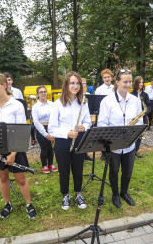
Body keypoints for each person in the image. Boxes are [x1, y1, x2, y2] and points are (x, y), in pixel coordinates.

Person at [0, 73, 37, 219]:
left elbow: (20, 132)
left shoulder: (16, 105)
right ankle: (7, 204)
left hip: (14, 146)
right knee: (3, 179)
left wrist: (13, 154)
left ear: (4, 85)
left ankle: (29, 204)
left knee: (20, 179)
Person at [98, 69, 143, 209]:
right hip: (114, 144)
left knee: (128, 171)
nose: (128, 84)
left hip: (129, 143)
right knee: (114, 171)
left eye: (130, 81)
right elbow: (102, 124)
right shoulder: (107, 101)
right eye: (125, 81)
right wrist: (111, 138)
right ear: (117, 82)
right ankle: (115, 194)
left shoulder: (135, 100)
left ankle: (124, 192)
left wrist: (134, 134)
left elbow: (139, 121)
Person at [49, 72, 92, 210]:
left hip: (79, 139)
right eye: (72, 83)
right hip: (62, 141)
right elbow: (52, 128)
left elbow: (88, 122)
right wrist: (67, 133)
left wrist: (83, 126)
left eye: (78, 83)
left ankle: (78, 193)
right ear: (66, 85)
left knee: (78, 169)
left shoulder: (83, 103)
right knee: (64, 170)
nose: (75, 86)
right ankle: (65, 195)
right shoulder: (57, 104)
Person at [32, 85, 58, 173]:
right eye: (41, 92)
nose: (43, 93)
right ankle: (44, 165)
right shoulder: (35, 107)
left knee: (51, 148)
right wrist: (45, 134)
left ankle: (50, 164)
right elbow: (36, 122)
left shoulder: (52, 104)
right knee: (44, 148)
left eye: (45, 92)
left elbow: (56, 117)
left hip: (51, 127)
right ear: (37, 94)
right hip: (41, 129)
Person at [95, 69, 114, 160]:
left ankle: (111, 151)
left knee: (112, 133)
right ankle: (103, 153)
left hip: (113, 115)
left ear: (112, 78)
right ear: (102, 79)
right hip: (103, 114)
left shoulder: (115, 88)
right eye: (105, 77)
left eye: (108, 77)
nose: (107, 79)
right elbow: (97, 104)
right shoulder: (99, 90)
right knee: (103, 134)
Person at [131, 76, 151, 158]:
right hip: (134, 118)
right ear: (136, 83)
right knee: (133, 135)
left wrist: (145, 112)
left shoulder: (145, 95)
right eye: (139, 82)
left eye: (142, 82)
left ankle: (136, 150)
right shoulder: (131, 94)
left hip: (142, 117)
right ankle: (131, 151)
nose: (141, 84)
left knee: (140, 135)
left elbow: (149, 106)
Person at [81, 78, 93, 162]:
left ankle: (85, 155)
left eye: (85, 83)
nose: (83, 85)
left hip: (87, 119)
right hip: (79, 120)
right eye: (82, 83)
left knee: (86, 139)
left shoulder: (88, 95)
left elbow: (91, 108)